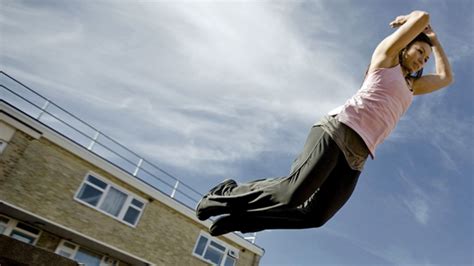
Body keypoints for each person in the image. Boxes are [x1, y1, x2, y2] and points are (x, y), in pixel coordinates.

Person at [195, 10, 453, 236]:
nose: (422, 60)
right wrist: (419, 27)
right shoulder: (386, 59)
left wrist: (435, 44)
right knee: (293, 193)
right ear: (406, 48)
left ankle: (243, 220)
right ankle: (224, 193)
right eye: (420, 52)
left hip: (358, 155)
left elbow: (444, 77)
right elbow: (423, 17)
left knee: (315, 216)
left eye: (426, 59)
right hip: (338, 130)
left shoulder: (412, 87)